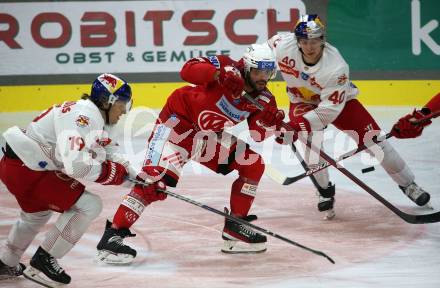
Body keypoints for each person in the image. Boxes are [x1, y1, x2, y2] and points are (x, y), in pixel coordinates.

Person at [95, 44, 285, 264]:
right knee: (152, 183)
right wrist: (216, 74)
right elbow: (187, 69)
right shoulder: (226, 66)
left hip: (206, 137)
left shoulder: (265, 99)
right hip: (176, 129)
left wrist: (272, 124)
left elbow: (258, 134)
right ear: (246, 67)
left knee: (253, 164)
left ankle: (235, 225)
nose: (263, 78)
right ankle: (113, 235)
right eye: (258, 71)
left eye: (268, 72)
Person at [266, 14, 432, 218]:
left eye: (315, 41)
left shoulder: (336, 67)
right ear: (297, 41)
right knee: (311, 148)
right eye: (305, 41)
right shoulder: (282, 45)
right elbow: (260, 57)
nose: (310, 47)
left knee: (377, 144)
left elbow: (329, 110)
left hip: (340, 104)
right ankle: (324, 191)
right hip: (302, 102)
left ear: (323, 40)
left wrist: (296, 126)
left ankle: (409, 185)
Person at [0, 74, 134, 287]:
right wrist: (113, 174)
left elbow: (108, 154)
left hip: (20, 167)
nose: (123, 112)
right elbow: (78, 167)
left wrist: (139, 180)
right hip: (29, 168)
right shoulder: (83, 117)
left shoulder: (95, 117)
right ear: (106, 102)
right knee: (89, 205)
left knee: (35, 216)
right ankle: (43, 262)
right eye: (121, 105)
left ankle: (5, 262)